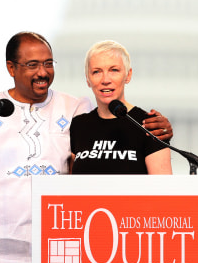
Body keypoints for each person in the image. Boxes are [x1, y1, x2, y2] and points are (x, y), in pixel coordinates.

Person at [0, 32, 173, 263]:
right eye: (32, 65)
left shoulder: (75, 108)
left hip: (56, 261)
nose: (42, 72)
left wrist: (159, 129)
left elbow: (108, 136)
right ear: (11, 68)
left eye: (48, 63)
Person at [70, 40, 172, 174]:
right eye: (96, 72)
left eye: (114, 70)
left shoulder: (150, 125)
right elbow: (70, 187)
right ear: (88, 79)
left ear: (128, 75)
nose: (105, 80)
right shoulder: (79, 125)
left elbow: (163, 190)